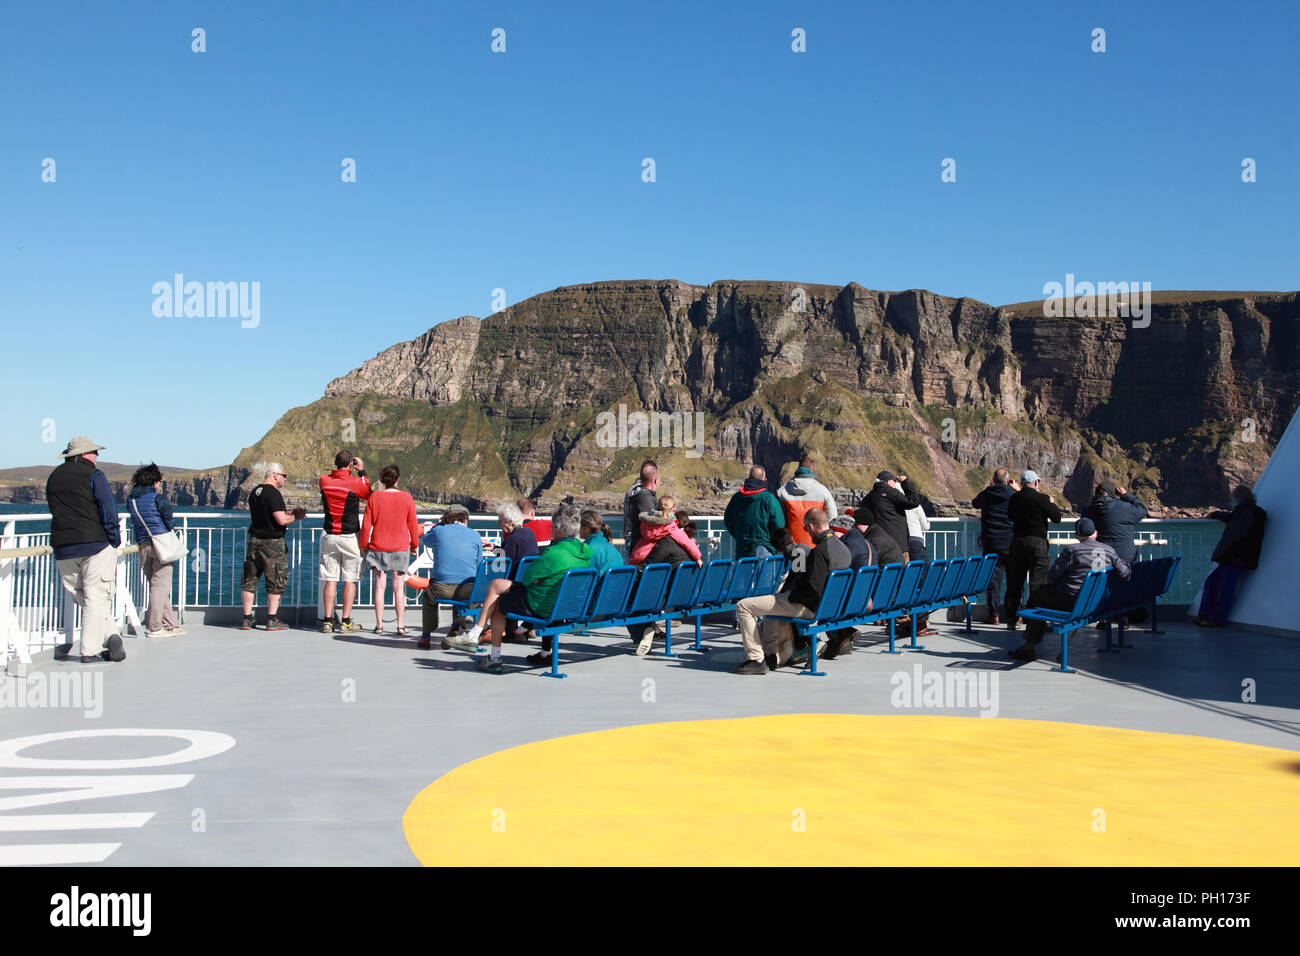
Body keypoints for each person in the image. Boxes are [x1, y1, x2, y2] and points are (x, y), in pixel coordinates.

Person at [457, 505, 592, 673]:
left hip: (542, 605)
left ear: (557, 530)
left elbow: (528, 578)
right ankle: (477, 637)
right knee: (499, 589)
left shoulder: (554, 554)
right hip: (566, 606)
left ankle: (494, 657)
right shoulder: (585, 553)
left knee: (498, 603)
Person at [732, 508, 851, 675]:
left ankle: (756, 659)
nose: (806, 532)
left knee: (744, 606)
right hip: (830, 606)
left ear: (810, 526)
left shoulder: (818, 552)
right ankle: (772, 653)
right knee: (771, 605)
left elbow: (811, 588)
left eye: (806, 528)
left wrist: (791, 597)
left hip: (810, 607)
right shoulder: (843, 548)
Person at [47, 435, 126, 663]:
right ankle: (89, 651)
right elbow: (108, 509)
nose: (97, 456)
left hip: (63, 547)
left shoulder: (53, 477)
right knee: (96, 597)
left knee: (82, 596)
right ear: (83, 454)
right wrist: (114, 539)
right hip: (95, 544)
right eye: (94, 452)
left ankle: (111, 634)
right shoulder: (94, 475)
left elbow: (55, 508)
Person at [1011, 517, 1130, 661]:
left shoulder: (1072, 551)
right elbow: (1125, 574)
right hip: (1097, 603)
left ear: (1076, 535)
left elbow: (1051, 577)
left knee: (1038, 597)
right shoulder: (1109, 551)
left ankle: (1029, 646)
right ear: (1096, 533)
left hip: (1071, 601)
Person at [240, 463, 307, 630]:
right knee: (276, 580)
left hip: (255, 540)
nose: (285, 479)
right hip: (272, 543)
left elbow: (268, 513)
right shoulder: (274, 493)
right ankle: (271, 619)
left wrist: (289, 512)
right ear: (276, 475)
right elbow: (281, 520)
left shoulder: (255, 491)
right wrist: (296, 517)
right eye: (284, 476)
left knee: (249, 580)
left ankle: (247, 618)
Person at [410, 505, 483, 649]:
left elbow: (426, 541)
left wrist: (441, 525)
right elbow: (479, 564)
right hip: (467, 590)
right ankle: (455, 628)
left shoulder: (439, 531)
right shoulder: (475, 535)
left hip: (442, 588)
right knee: (464, 594)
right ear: (465, 519)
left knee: (429, 597)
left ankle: (426, 637)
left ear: (447, 518)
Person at [359, 464, 419, 636]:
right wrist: (414, 545)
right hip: (400, 546)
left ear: (382, 480)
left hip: (378, 545)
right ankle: (400, 625)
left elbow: (366, 525)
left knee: (379, 587)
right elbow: (413, 525)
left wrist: (364, 545)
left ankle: (379, 625)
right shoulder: (407, 498)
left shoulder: (374, 498)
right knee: (398, 587)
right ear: (397, 479)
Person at [127, 463, 185, 638]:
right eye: (160, 480)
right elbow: (169, 520)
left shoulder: (132, 500)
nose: (160, 484)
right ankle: (154, 627)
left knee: (156, 586)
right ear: (154, 482)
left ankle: (172, 624)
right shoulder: (157, 498)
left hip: (143, 545)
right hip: (161, 545)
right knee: (160, 587)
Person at [629, 508, 697, 656]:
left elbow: (648, 565)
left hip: (666, 601)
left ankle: (643, 632)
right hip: (685, 597)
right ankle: (647, 628)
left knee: (630, 602)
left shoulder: (665, 542)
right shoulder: (686, 543)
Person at [1196, 485, 1267, 627]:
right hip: (1233, 558)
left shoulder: (1246, 513)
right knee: (1213, 584)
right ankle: (1206, 616)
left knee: (1224, 589)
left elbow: (1235, 534)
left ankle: (1216, 619)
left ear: (1238, 498)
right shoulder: (1248, 512)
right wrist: (1216, 514)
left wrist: (1222, 553)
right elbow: (1232, 518)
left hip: (1235, 558)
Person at [318, 450, 372, 633]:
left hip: (329, 535)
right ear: (351, 463)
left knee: (330, 579)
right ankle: (346, 621)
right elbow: (367, 494)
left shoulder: (324, 481)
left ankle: (327, 621)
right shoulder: (356, 482)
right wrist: (362, 471)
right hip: (349, 536)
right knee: (350, 579)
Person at [1004, 470, 1061, 630]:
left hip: (1018, 542)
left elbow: (1010, 516)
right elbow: (1057, 518)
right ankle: (1035, 620)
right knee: (1037, 583)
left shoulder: (1015, 498)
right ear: (1036, 482)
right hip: (1037, 542)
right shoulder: (1041, 499)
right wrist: (1051, 502)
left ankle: (1011, 618)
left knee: (1015, 582)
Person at [972, 469, 1019, 625]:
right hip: (1011, 542)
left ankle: (994, 614)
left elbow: (975, 503)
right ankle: (1013, 615)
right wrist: (1016, 489)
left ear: (993, 480)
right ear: (1007, 480)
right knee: (1013, 581)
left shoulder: (987, 494)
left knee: (993, 580)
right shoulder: (1013, 495)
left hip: (991, 542)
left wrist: (988, 488)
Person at [723, 465, 786, 558]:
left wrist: (739, 535)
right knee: (764, 573)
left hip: (742, 547)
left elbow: (728, 519)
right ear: (765, 480)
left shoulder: (737, 498)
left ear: (749, 478)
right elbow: (779, 524)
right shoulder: (768, 499)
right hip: (765, 547)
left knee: (744, 573)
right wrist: (774, 541)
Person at [856, 470, 921, 559]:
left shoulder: (868, 498)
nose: (894, 484)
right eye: (894, 481)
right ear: (888, 481)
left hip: (877, 544)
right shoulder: (890, 492)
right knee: (901, 570)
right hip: (898, 544)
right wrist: (905, 482)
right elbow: (913, 501)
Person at [777, 455, 838, 547]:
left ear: (798, 469)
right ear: (813, 470)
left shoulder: (782, 491)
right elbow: (833, 519)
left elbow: (779, 521)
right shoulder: (823, 492)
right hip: (816, 548)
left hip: (791, 547)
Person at [1083, 480, 1148, 564]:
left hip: (1101, 555)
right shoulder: (1123, 507)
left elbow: (1084, 526)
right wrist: (1125, 495)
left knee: (1101, 576)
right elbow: (1142, 510)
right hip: (1125, 555)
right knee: (1125, 575)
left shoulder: (1090, 510)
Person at [629, 495, 702, 566]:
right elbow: (686, 542)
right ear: (673, 509)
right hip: (655, 559)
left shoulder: (647, 523)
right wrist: (697, 557)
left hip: (639, 555)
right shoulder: (669, 526)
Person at [623, 460, 660, 554]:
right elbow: (652, 527)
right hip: (640, 544)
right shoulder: (645, 498)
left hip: (633, 538)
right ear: (655, 480)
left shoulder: (634, 492)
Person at [579, 510, 623, 576]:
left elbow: (582, 577)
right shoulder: (610, 546)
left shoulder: (589, 548)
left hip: (602, 585)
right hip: (617, 585)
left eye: (579, 526)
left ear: (586, 529)